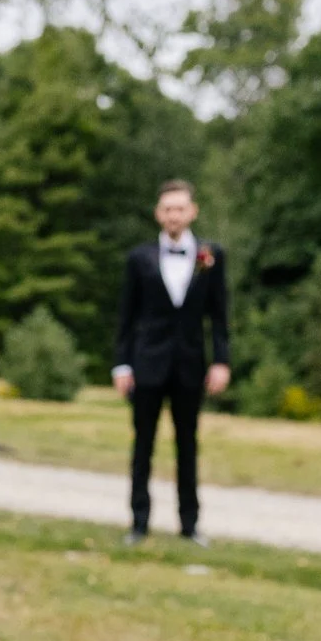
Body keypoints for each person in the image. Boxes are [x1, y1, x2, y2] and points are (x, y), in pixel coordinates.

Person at [111, 180, 231, 544]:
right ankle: (139, 522)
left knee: (187, 445)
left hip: (190, 364)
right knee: (143, 444)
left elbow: (220, 315)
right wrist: (122, 365)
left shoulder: (211, 257)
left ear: (193, 211)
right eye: (167, 209)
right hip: (147, 364)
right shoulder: (139, 258)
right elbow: (126, 316)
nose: (174, 215)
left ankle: (190, 524)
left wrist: (221, 361)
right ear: (158, 214)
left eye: (180, 208)